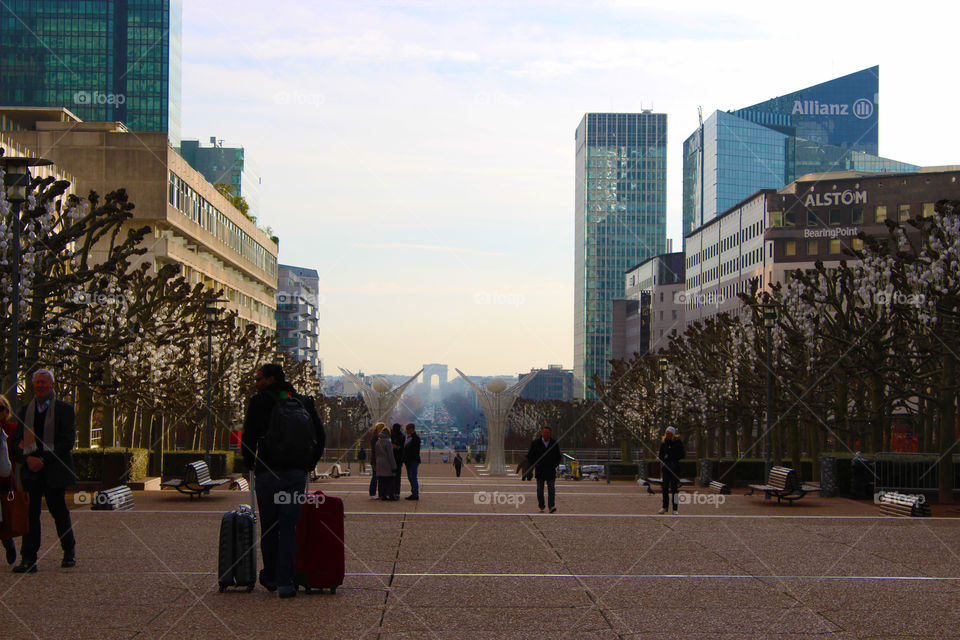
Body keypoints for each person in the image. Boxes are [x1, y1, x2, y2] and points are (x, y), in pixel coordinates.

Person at [241, 363, 325, 598]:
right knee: (289, 527)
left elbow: (248, 436)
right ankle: (287, 581)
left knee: (269, 526)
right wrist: (308, 465)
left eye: (259, 379)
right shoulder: (302, 401)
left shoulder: (260, 403)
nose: (256, 383)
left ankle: (271, 576)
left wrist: (248, 462)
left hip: (268, 473)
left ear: (270, 379)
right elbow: (320, 437)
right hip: (296, 474)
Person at [10, 369, 77, 573]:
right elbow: (15, 442)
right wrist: (27, 459)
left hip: (54, 470)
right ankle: (29, 559)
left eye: (44, 383)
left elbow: (67, 441)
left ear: (52, 386)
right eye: (37, 382)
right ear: (33, 385)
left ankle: (68, 551)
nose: (40, 386)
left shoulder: (64, 410)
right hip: (32, 472)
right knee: (30, 516)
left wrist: (43, 460)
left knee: (59, 512)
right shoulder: (24, 411)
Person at [526, 426, 562, 513]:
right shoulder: (536, 443)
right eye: (545, 432)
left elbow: (558, 456)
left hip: (550, 470)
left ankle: (551, 506)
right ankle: (541, 505)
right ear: (542, 433)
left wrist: (554, 465)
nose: (546, 434)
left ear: (550, 434)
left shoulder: (554, 443)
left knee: (551, 489)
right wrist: (534, 464)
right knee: (539, 489)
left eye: (548, 433)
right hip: (540, 470)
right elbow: (530, 456)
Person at [0, 395, 17, 564]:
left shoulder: (13, 429)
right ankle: (8, 543)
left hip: (4, 479)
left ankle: (8, 543)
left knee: (5, 516)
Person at [658, 426, 685, 515]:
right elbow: (660, 455)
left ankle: (675, 508)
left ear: (673, 434)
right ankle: (665, 507)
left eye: (669, 433)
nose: (667, 435)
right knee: (665, 488)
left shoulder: (678, 443)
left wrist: (672, 457)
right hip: (666, 468)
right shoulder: (664, 443)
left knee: (674, 489)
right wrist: (663, 458)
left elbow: (682, 455)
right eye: (666, 433)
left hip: (675, 468)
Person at [375, 425, 397, 500]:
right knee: (389, 480)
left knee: (381, 480)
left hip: (379, 462)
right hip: (386, 462)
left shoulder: (377, 442)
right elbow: (390, 455)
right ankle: (390, 494)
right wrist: (394, 466)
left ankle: (382, 495)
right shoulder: (387, 442)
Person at [403, 423, 421, 500]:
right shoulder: (410, 437)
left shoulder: (415, 438)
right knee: (411, 477)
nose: (406, 431)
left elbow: (413, 450)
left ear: (412, 429)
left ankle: (415, 493)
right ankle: (414, 492)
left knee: (413, 477)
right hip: (409, 460)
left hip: (412, 460)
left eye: (407, 429)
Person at [390, 423, 404, 500]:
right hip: (397, 459)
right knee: (396, 477)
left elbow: (402, 448)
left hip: (396, 459)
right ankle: (395, 492)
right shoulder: (401, 436)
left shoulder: (395, 436)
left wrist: (397, 447)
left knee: (395, 477)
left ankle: (395, 492)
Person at [367, 425, 381, 500]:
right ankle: (372, 493)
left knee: (375, 477)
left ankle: (373, 492)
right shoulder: (376, 438)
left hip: (374, 459)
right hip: (376, 460)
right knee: (375, 477)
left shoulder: (374, 437)